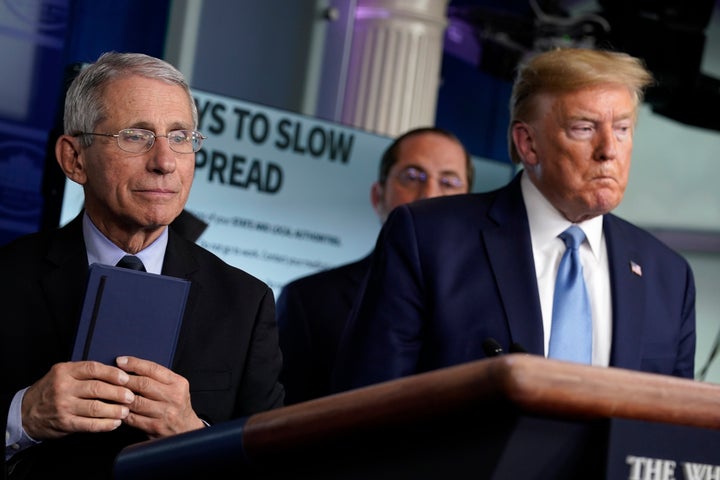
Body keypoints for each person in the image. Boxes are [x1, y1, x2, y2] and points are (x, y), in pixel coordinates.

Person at [331, 47, 696, 393]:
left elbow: (671, 435)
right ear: (528, 143)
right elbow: (368, 400)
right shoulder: (428, 239)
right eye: (584, 128)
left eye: (622, 129)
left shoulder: (668, 277)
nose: (609, 151)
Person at [1, 52, 284, 479]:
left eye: (180, 137)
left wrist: (192, 434)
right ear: (74, 159)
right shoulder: (6, 277)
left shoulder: (245, 303)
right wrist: (23, 417)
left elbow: (274, 464)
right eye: (136, 136)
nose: (165, 161)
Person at [276, 127, 474, 404]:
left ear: (469, 207)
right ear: (377, 196)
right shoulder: (308, 301)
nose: (429, 194)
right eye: (413, 176)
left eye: (449, 182)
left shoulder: (490, 303)